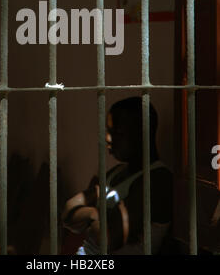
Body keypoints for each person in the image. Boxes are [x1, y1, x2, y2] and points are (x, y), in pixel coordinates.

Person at [62, 97, 173, 255]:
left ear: (142, 133)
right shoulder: (117, 173)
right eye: (108, 131)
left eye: (118, 132)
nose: (108, 138)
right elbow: (68, 212)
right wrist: (96, 215)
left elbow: (107, 237)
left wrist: (88, 216)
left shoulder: (157, 179)